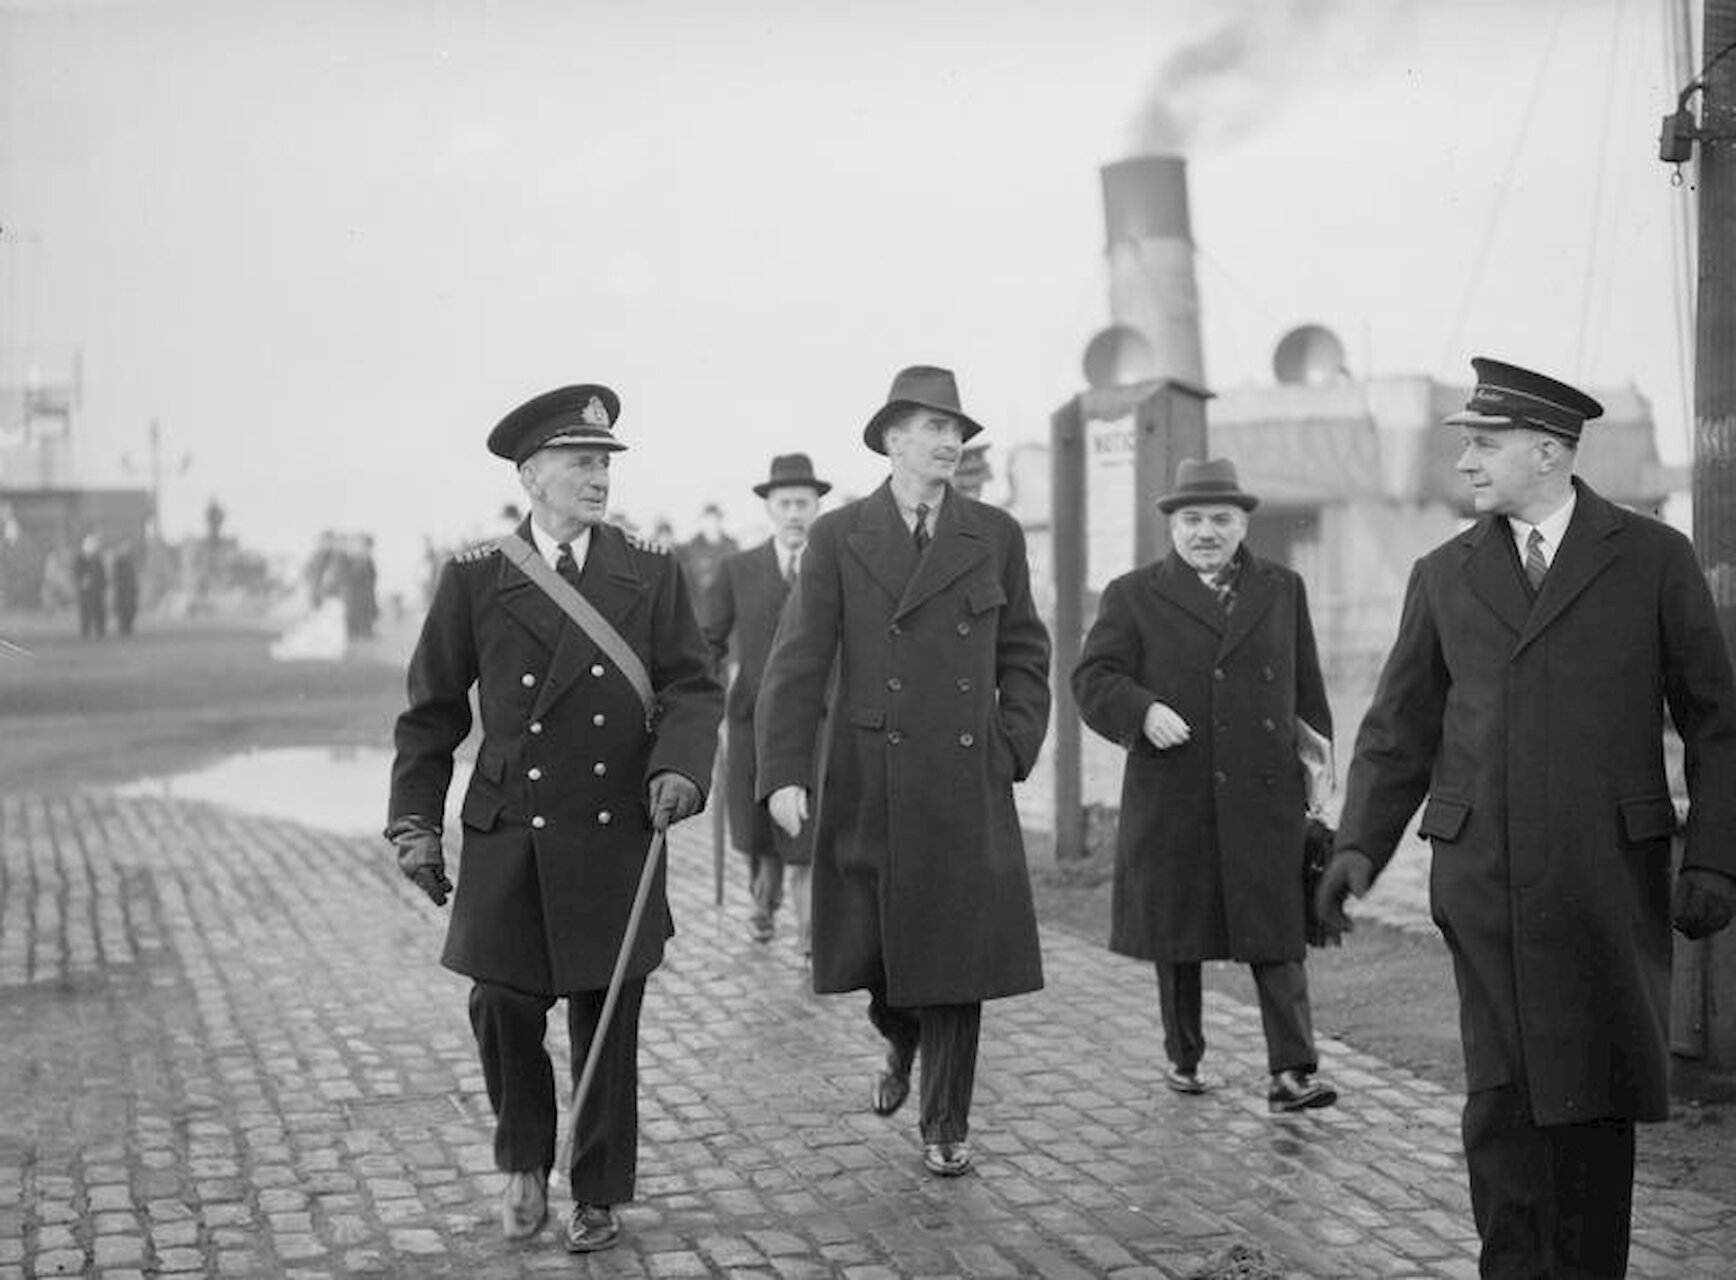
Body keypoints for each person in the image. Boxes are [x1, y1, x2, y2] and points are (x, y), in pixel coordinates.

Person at [1317, 358, 1736, 1278]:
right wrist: (1356, 847)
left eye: (1484, 442)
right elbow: (1396, 732)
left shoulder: (1650, 559)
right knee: (1502, 1098)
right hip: (1485, 879)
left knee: (1596, 1096)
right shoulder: (1444, 574)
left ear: (1548, 452)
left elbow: (1716, 721)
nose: (1465, 460)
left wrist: (1714, 859)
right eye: (1467, 441)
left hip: (1607, 876)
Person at [386, 383, 722, 1254]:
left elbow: (691, 685)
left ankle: (598, 1192)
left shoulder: (649, 570)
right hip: (511, 832)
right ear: (532, 475)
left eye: (605, 461)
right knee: (500, 1003)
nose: (599, 476)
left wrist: (681, 766)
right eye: (580, 462)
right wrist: (414, 821)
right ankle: (525, 1158)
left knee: (606, 1018)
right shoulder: (474, 579)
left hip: (615, 827)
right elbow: (431, 714)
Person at [755, 364, 1051, 1178]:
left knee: (958, 961)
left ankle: (946, 1121)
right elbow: (799, 658)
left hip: (965, 778)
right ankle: (899, 1040)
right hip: (870, 774)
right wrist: (784, 770)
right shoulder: (840, 534)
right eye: (931, 427)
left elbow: (1026, 650)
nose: (949, 441)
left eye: (957, 430)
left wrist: (1014, 742)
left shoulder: (995, 534)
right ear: (891, 440)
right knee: (883, 967)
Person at [1072, 457, 1338, 1112]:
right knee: (1180, 933)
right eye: (1192, 520)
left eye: (1221, 519)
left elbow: (1306, 686)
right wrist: (1143, 711)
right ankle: (1183, 1055)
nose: (1206, 532)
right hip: (1176, 790)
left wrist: (1319, 772)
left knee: (1277, 934)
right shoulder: (1132, 594)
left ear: (1244, 523)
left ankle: (1292, 1070)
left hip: (1264, 792)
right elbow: (1093, 678)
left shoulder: (1283, 588)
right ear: (1173, 527)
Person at [701, 452, 831, 951]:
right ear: (770, 509)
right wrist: (702, 703)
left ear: (817, 507)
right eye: (786, 504)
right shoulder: (738, 569)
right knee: (758, 828)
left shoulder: (832, 566)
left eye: (804, 503)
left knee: (807, 829)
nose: (795, 513)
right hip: (752, 717)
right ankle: (763, 899)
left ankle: (809, 936)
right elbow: (709, 642)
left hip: (817, 720)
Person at [677, 502, 737, 600]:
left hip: (726, 598)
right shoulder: (692, 548)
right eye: (708, 520)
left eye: (714, 520)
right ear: (702, 521)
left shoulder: (731, 545)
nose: (712, 524)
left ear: (720, 520)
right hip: (700, 601)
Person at [73, 534, 107, 638]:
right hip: (85, 592)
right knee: (85, 613)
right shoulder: (80, 560)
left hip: (97, 591)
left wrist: (103, 585)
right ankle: (85, 633)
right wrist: (82, 580)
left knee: (99, 612)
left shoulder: (97, 560)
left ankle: (100, 632)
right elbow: (77, 574)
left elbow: (102, 575)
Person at [111, 542, 140, 637]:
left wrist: (134, 588)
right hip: (122, 592)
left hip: (130, 592)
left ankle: (128, 629)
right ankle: (122, 629)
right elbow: (116, 578)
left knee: (130, 611)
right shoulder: (118, 563)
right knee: (122, 611)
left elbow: (133, 577)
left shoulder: (130, 562)